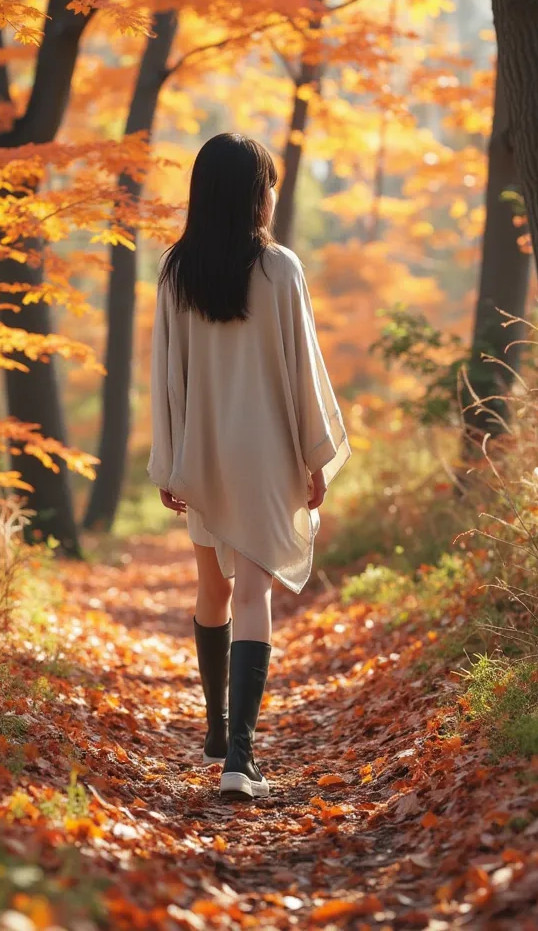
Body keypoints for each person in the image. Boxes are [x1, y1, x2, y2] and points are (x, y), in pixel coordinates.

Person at [148, 133, 350, 801]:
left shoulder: (176, 271)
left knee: (214, 593)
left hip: (202, 452)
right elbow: (303, 373)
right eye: (268, 182)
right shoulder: (281, 269)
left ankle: (215, 730)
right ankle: (240, 755)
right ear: (253, 194)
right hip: (264, 453)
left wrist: (170, 460)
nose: (272, 194)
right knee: (255, 592)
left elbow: (166, 375)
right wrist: (313, 457)